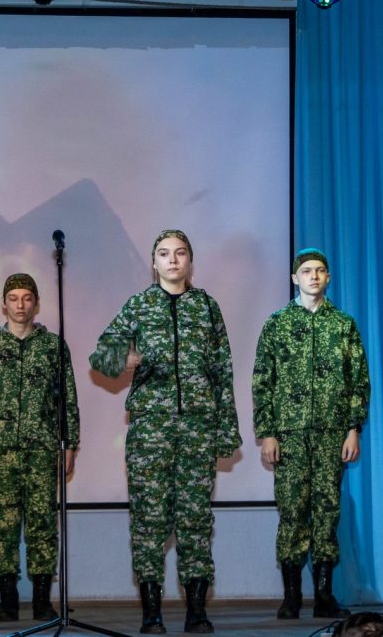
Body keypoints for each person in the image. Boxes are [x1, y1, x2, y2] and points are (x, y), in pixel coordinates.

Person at [90, 229, 241, 635]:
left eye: (180, 253)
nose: (172, 260)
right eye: (164, 253)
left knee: (195, 519)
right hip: (150, 432)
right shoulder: (139, 306)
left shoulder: (207, 307)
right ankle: (152, 613)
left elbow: (223, 371)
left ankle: (196, 611)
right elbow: (100, 356)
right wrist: (124, 358)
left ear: (190, 260)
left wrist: (226, 430)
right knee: (149, 520)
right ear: (153, 263)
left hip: (198, 430)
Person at [252, 248, 370, 620]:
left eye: (320, 270)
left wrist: (353, 429)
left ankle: (323, 595)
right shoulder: (277, 323)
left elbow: (358, 382)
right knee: (292, 512)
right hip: (289, 434)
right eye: (306, 271)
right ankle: (291, 596)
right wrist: (267, 433)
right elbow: (262, 381)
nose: (313, 277)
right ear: (294, 278)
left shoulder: (344, 324)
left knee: (327, 512)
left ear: (328, 277)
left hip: (331, 434)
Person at [0, 273, 80, 623]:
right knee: (3, 527)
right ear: (4, 304)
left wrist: (69, 444)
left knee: (43, 524)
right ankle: (8, 600)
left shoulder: (53, 347)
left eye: (27, 298)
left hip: (42, 449)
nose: (20, 305)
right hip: (0, 452)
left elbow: (68, 400)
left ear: (36, 303)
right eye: (13, 298)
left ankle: (42, 600)